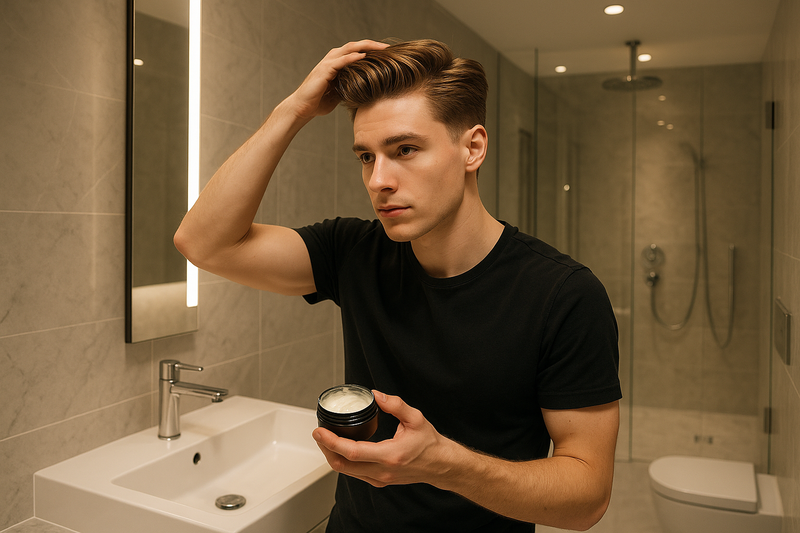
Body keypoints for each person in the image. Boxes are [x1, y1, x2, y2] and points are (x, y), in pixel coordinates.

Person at [174, 39, 621, 532]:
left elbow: (588, 499)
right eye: (366, 156)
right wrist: (294, 110)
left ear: (472, 147)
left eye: (404, 149)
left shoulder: (564, 294)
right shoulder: (353, 251)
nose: (377, 180)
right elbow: (203, 244)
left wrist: (443, 464)